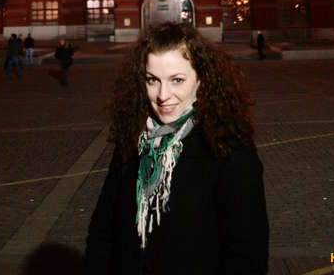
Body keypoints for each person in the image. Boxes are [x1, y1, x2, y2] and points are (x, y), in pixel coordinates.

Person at [85, 21, 269, 274]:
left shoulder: (228, 149)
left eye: (177, 80)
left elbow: (246, 254)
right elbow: (103, 231)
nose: (163, 95)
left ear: (201, 80)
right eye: (152, 80)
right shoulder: (135, 139)